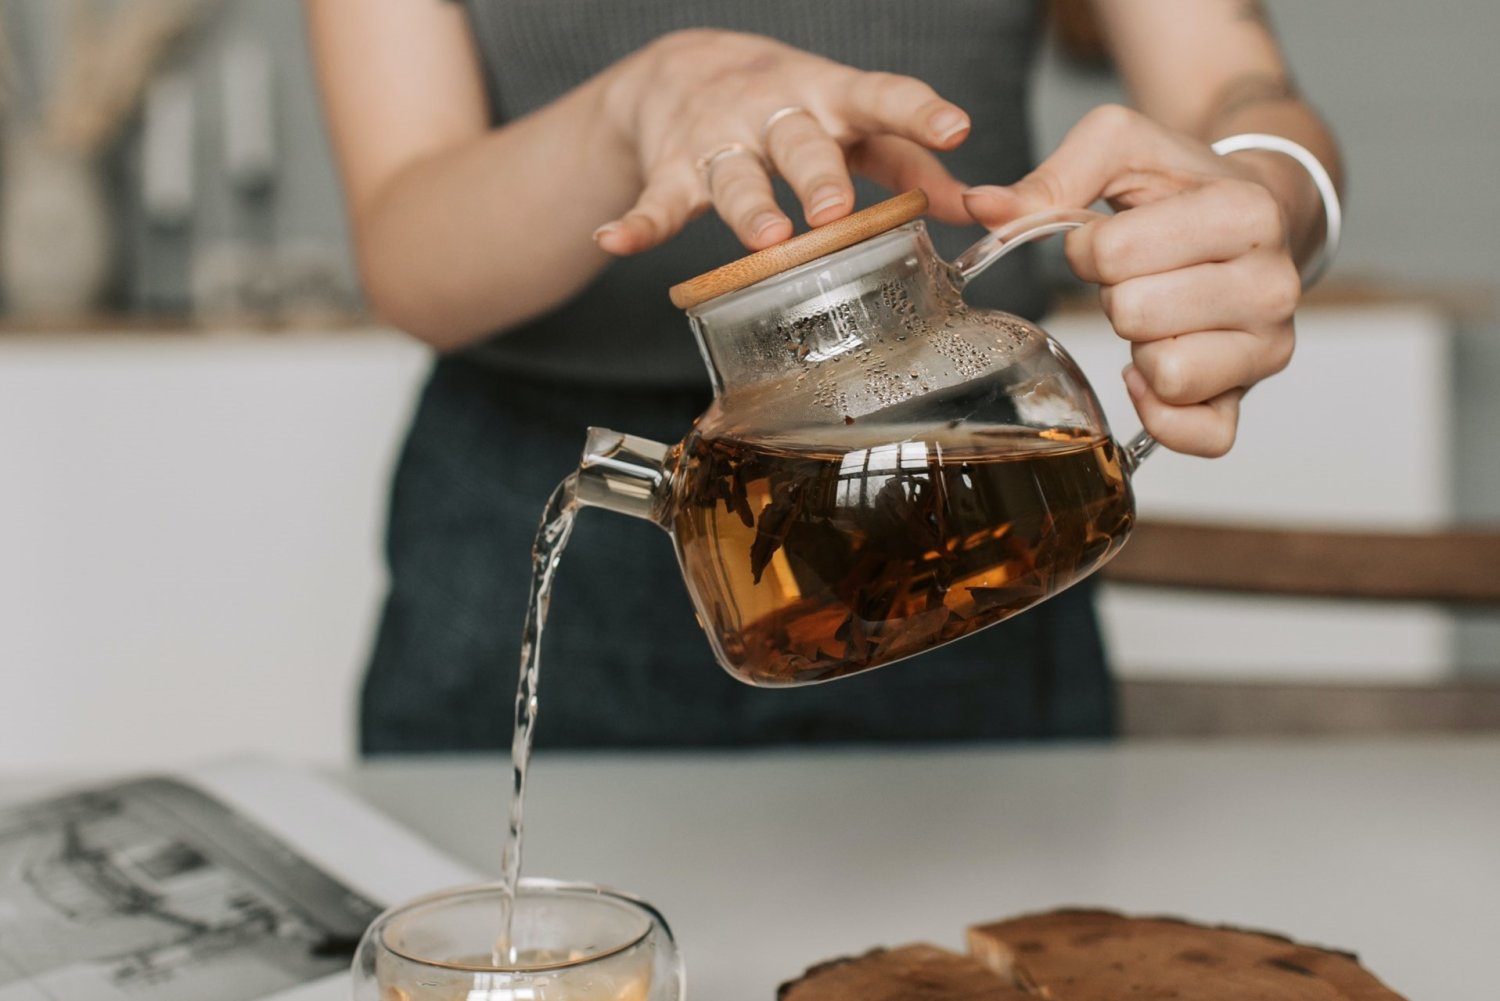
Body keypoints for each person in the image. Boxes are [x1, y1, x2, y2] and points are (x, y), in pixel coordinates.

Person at [306, 0, 1341, 753]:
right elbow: (405, 241)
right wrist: (630, 109)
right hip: (525, 517)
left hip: (959, 506)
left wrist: (1263, 195)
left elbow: (1238, 87)